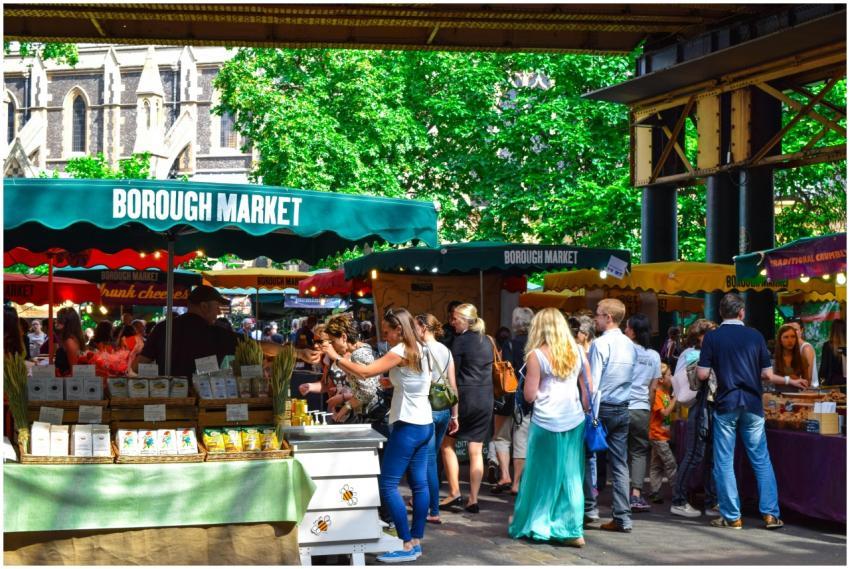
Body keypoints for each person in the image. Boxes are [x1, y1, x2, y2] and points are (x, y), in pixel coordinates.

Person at [322, 307, 433, 563]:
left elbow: (365, 372)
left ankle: (406, 544)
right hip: (424, 422)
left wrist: (335, 358)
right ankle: (415, 541)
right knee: (419, 483)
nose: (385, 337)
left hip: (407, 424)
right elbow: (412, 380)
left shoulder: (400, 350)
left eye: (387, 331)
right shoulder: (421, 348)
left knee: (387, 484)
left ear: (398, 329)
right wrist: (392, 382)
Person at [697, 293, 807, 530]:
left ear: (720, 313)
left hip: (726, 403)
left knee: (724, 461)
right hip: (753, 404)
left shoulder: (712, 338)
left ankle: (732, 516)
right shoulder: (755, 335)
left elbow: (702, 374)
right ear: (742, 312)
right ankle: (770, 515)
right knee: (761, 459)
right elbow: (767, 375)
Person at [508, 308, 590, 547]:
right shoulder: (576, 350)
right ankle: (573, 529)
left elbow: (530, 395)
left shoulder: (536, 355)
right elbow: (587, 387)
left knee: (541, 475)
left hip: (546, 421)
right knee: (571, 475)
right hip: (574, 419)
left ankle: (539, 524)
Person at [133, 285, 320, 378]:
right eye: (217, 307)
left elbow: (138, 366)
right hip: (204, 401)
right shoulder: (214, 333)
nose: (219, 312)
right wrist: (298, 353)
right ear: (204, 306)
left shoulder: (163, 327)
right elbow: (262, 346)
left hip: (167, 398)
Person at [583, 298, 635, 533]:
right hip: (623, 407)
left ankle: (588, 508)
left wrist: (588, 411)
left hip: (602, 407)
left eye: (598, 314)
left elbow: (593, 383)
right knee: (620, 463)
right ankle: (623, 516)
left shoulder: (600, 344)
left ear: (609, 318)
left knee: (585, 456)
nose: (596, 318)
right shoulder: (629, 344)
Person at [440, 303, 494, 514]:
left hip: (464, 398)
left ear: (465, 320)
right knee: (475, 450)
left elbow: (452, 375)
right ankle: (473, 498)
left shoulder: (460, 342)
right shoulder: (488, 340)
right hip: (485, 398)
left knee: (447, 444)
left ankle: (454, 492)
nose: (452, 322)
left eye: (455, 319)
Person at [670, 318, 719, 518]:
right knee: (695, 455)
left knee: (709, 457)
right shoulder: (693, 354)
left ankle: (711, 500)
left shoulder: (692, 353)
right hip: (700, 407)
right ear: (699, 336)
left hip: (706, 408)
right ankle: (679, 500)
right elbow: (700, 378)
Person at [415, 313, 460, 525]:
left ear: (424, 327)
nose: (414, 331)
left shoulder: (422, 350)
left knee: (429, 461)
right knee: (432, 458)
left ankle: (432, 509)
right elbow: (453, 385)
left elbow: (420, 382)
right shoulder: (446, 350)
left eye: (415, 326)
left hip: (427, 409)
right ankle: (430, 506)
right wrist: (455, 414)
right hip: (444, 410)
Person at [624, 313, 661, 513]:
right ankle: (636, 494)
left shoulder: (624, 350)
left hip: (620, 406)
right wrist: (646, 405)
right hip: (641, 409)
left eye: (627, 327)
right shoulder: (654, 356)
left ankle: (620, 494)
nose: (624, 330)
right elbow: (653, 389)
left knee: (619, 451)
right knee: (638, 452)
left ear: (634, 331)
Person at [321, 314, 381, 424]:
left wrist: (346, 407)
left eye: (333, 341)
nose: (332, 346)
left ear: (344, 337)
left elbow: (367, 392)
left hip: (373, 417)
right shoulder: (365, 348)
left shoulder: (357, 355)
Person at [502, 306, 533, 496]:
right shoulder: (537, 344)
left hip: (516, 395)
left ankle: (516, 482)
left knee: (518, 438)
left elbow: (506, 371)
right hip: (536, 395)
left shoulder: (510, 344)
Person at [647, 363, 678, 504]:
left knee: (656, 464)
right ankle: (678, 492)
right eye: (669, 375)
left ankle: (655, 491)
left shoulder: (665, 393)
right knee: (670, 463)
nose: (672, 378)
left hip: (661, 435)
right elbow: (664, 412)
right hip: (658, 435)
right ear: (660, 379)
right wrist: (675, 399)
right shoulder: (658, 395)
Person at [773, 324, 809, 391]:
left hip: (797, 396)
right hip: (778, 396)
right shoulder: (774, 359)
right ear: (780, 339)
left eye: (793, 337)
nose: (790, 340)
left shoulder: (802, 358)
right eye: (786, 337)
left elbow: (807, 382)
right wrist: (791, 378)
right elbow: (770, 379)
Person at [787, 318, 819, 388]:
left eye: (795, 330)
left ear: (801, 330)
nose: (792, 333)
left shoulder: (806, 348)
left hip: (809, 393)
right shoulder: (790, 349)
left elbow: (808, 380)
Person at [54, 307, 85, 376]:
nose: (56, 321)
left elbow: (73, 371)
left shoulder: (69, 341)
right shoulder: (71, 338)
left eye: (58, 319)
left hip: (68, 382)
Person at [819, 319, 846, 386]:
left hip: (832, 383)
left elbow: (823, 369)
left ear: (832, 330)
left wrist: (822, 380)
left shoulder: (827, 346)